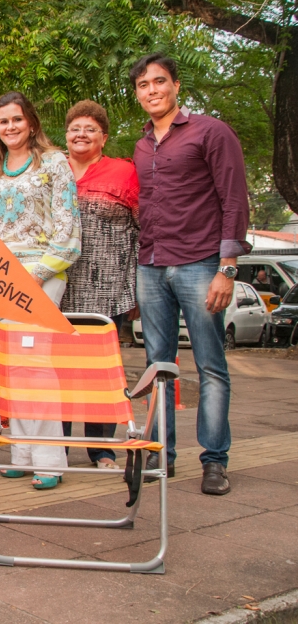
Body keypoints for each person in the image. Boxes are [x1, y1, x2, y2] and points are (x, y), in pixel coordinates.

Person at [130, 53, 250, 496]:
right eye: (143, 85)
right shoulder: (142, 146)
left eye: (159, 81)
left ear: (176, 86)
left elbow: (234, 200)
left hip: (200, 263)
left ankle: (215, 460)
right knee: (157, 367)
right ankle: (161, 455)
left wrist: (227, 268)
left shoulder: (210, 132)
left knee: (210, 366)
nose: (152, 91)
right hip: (151, 265)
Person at [0, 91, 81, 490]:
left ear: (31, 123)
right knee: (11, 366)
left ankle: (50, 459)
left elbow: (68, 228)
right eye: (3, 121)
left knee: (36, 366)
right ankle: (20, 452)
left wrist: (33, 275)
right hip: (0, 277)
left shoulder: (54, 163)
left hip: (42, 273)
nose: (10, 127)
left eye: (17, 119)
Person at [60, 100, 140, 471]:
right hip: (59, 287)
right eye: (75, 128)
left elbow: (142, 230)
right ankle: (55, 448)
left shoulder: (124, 172)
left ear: (104, 137)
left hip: (107, 288)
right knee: (58, 371)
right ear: (66, 134)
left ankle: (102, 449)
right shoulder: (52, 168)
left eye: (90, 129)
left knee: (100, 372)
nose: (82, 134)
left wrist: (135, 290)